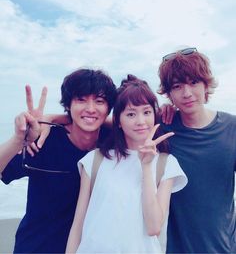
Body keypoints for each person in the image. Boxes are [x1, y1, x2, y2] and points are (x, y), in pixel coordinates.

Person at [66, 75, 188, 253]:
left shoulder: (165, 163)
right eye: (131, 114)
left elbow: (154, 227)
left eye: (147, 112)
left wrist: (146, 167)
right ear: (119, 121)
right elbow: (78, 226)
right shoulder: (96, 159)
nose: (140, 121)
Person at [0, 68, 117, 253]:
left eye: (99, 101)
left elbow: (138, 122)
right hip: (36, 247)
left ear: (109, 108)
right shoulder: (44, 140)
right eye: (81, 99)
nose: (91, 108)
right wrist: (18, 139)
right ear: (68, 104)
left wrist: (53, 117)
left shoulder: (113, 144)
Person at [158, 47, 236, 253]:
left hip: (223, 247)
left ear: (206, 84)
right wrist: (63, 119)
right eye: (177, 86)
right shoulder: (163, 126)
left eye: (194, 82)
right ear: (169, 94)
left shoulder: (232, 128)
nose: (187, 93)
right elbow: (116, 122)